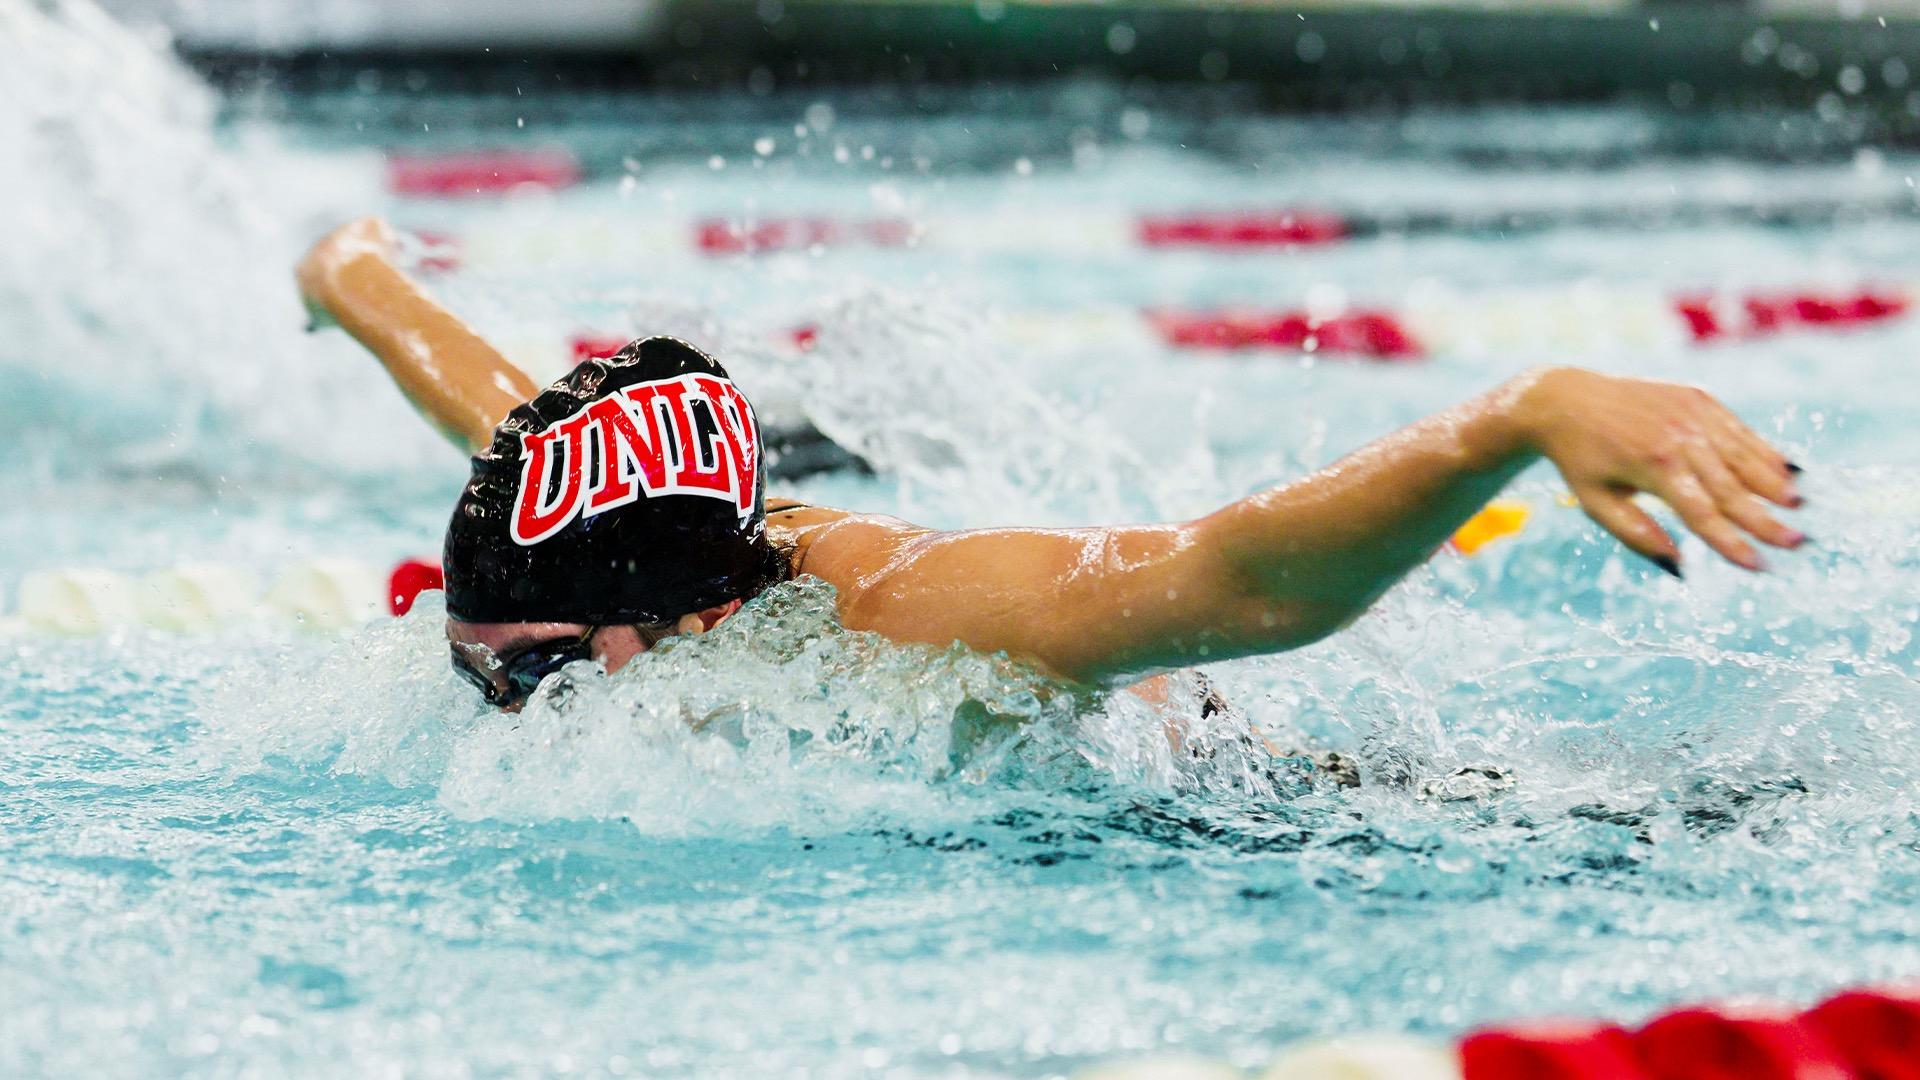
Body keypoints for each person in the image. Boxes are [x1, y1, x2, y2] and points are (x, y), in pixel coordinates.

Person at [297, 218, 1805, 713]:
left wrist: (1518, 416)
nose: (504, 711)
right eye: (478, 664)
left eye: (535, 679)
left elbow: (1244, 581)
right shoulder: (597, 540)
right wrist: (356, 280)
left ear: (698, 620)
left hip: (1231, 815)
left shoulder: (911, 610)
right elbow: (500, 406)